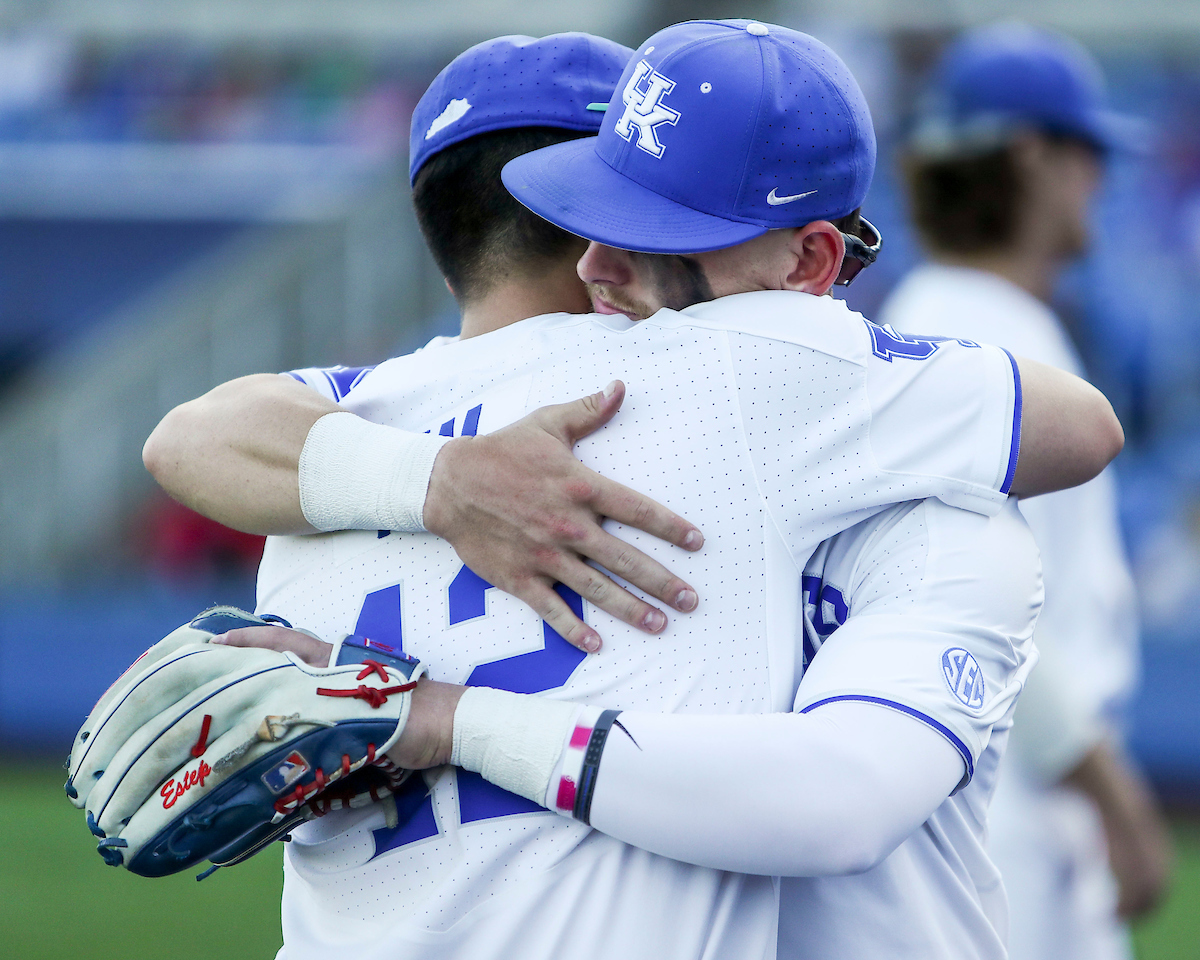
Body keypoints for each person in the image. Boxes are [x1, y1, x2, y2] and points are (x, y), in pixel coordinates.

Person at [143, 22, 1122, 960]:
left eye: (643, 219)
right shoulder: (750, 377)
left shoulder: (324, 445)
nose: (599, 259)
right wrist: (444, 504)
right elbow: (1080, 426)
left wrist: (428, 496)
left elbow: (183, 438)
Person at [881, 23, 1171, 960]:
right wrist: (1115, 796)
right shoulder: (986, 347)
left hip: (996, 783)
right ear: (1031, 154)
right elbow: (988, 616)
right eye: (1084, 152)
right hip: (1004, 796)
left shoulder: (940, 319)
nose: (1100, 178)